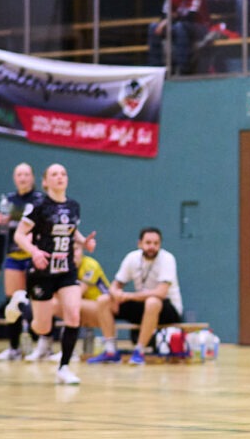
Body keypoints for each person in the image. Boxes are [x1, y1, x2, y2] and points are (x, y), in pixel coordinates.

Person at [12, 164, 97, 385]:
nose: (60, 177)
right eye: (54, 174)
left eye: (63, 174)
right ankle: (22, 304)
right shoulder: (39, 206)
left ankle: (64, 367)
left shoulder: (73, 206)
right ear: (45, 182)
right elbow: (19, 235)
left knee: (73, 314)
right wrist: (34, 251)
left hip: (66, 269)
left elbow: (70, 230)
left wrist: (84, 241)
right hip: (42, 272)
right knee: (43, 327)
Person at [86, 228, 184, 366]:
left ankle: (139, 351)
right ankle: (110, 351)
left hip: (167, 309)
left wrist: (128, 296)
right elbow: (115, 285)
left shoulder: (167, 259)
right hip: (142, 305)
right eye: (148, 243)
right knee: (104, 300)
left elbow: (161, 293)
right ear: (140, 243)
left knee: (152, 301)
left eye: (156, 243)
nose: (152, 247)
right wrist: (115, 295)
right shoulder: (132, 258)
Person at [0, 164, 44, 362]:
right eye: (19, 174)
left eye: (26, 174)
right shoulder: (8, 201)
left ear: (33, 178)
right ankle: (14, 348)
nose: (23, 178)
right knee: (12, 302)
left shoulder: (39, 200)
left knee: (37, 300)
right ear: (14, 178)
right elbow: (2, 231)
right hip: (13, 257)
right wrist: (1, 222)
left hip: (33, 255)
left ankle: (41, 345)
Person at [148, 0, 209, 75]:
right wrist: (168, 20)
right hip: (177, 25)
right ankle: (156, 67)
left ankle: (183, 69)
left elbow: (191, 16)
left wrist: (170, 19)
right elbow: (164, 14)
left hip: (199, 27)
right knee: (153, 27)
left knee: (180, 27)